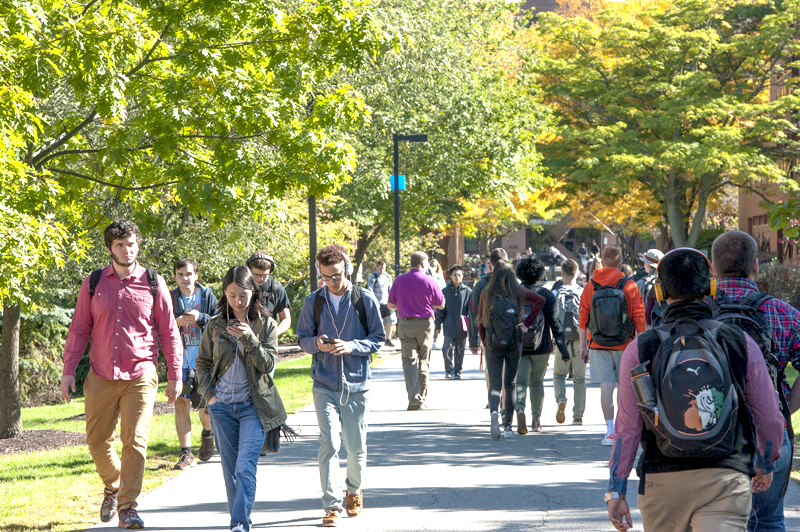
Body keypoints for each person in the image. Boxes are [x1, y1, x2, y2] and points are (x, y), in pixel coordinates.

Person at [607, 248, 784, 532]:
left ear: (661, 292)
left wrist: (616, 490)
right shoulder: (739, 342)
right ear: (711, 286)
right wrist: (766, 462)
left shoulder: (640, 349)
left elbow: (627, 427)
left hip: (662, 481)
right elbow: (769, 416)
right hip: (726, 477)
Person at [61, 220, 182, 529]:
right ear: (110, 248)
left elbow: (169, 331)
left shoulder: (154, 282)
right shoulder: (94, 282)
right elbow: (79, 329)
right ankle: (114, 485)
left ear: (137, 245)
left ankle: (127, 507)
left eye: (131, 244)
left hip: (140, 373)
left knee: (135, 441)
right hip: (100, 375)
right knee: (97, 441)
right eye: (119, 245)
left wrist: (175, 374)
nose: (126, 250)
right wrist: (69, 370)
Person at [712, 231, 800, 532]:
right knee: (769, 521)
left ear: (713, 268)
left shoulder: (699, 313)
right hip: (772, 435)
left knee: (718, 523)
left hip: (713, 434)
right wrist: (783, 409)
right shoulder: (785, 314)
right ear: (756, 267)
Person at [296, 244, 384, 527]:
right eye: (326, 277)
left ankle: (354, 491)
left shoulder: (363, 298)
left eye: (336, 275)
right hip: (324, 383)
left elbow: (378, 338)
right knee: (330, 443)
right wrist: (317, 344)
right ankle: (331, 505)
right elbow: (302, 339)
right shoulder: (314, 302)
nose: (333, 281)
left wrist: (352, 346)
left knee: (356, 447)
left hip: (357, 384)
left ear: (346, 268)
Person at [196, 266, 286, 532]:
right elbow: (202, 362)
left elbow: (268, 364)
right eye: (232, 295)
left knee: (245, 467)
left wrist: (249, 338)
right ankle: (239, 521)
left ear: (253, 292)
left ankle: (240, 524)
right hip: (221, 407)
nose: (238, 301)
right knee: (230, 469)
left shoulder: (266, 324)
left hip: (252, 406)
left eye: (243, 295)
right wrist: (210, 397)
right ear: (225, 293)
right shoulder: (215, 324)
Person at [579, 246, 646, 446]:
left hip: (597, 343)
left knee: (605, 387)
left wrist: (583, 346)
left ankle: (609, 431)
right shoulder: (629, 284)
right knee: (623, 387)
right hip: (625, 343)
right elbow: (639, 316)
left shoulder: (591, 285)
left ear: (603, 262)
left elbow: (583, 317)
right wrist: (641, 343)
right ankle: (620, 429)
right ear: (620, 262)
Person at [478, 261, 545, 439]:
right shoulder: (518, 292)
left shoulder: (487, 293)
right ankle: (508, 427)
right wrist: (527, 323)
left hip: (493, 342)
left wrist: (485, 341)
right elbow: (540, 301)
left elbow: (480, 321)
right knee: (510, 384)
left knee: (494, 384)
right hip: (515, 341)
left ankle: (494, 412)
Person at [170, 257, 218, 469]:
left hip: (206, 361)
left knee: (205, 408)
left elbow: (220, 322)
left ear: (196, 275)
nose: (185, 278)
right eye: (180, 274)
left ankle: (208, 434)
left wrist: (200, 317)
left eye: (188, 274)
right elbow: (159, 324)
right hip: (180, 361)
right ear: (175, 277)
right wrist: (176, 323)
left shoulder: (207, 296)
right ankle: (186, 454)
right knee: (181, 404)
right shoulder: (170, 297)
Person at [514, 256, 569, 434]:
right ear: (540, 274)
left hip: (519, 344)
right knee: (537, 382)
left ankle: (520, 410)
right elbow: (555, 324)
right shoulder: (546, 295)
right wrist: (563, 350)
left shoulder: (515, 293)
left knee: (520, 382)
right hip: (542, 346)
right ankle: (536, 421)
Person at [388, 251, 445, 410]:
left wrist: (403, 304)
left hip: (405, 324)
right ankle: (422, 398)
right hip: (425, 325)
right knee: (423, 360)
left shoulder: (399, 280)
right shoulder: (430, 280)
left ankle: (413, 396)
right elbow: (441, 304)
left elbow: (390, 304)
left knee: (409, 361)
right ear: (423, 264)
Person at [552, 260, 587, 426]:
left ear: (562, 275)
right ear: (577, 274)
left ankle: (561, 399)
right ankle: (578, 415)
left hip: (562, 340)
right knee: (579, 379)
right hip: (580, 338)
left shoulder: (555, 293)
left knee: (559, 375)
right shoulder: (585, 292)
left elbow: (551, 318)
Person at [435, 265, 472, 380]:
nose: (457, 277)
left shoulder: (468, 292)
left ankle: (457, 371)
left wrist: (473, 326)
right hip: (449, 324)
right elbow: (440, 310)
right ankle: (449, 370)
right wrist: (438, 325)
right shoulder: (445, 292)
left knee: (460, 349)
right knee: (447, 347)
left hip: (462, 325)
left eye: (459, 275)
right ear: (450, 276)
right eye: (455, 275)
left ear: (462, 276)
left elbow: (472, 310)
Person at [246, 252, 292, 337]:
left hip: (267, 339)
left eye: (265, 275)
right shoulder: (241, 285)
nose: (261, 278)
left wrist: (274, 333)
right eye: (256, 275)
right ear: (249, 271)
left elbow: (286, 319)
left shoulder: (276, 287)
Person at [367, 260, 397, 347]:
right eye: (380, 268)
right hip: (377, 303)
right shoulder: (373, 277)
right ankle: (376, 339)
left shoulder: (388, 277)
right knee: (376, 322)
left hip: (387, 302)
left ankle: (388, 339)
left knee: (390, 321)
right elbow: (370, 290)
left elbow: (390, 290)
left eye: (383, 268)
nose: (382, 270)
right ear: (377, 267)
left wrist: (392, 300)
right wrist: (375, 301)